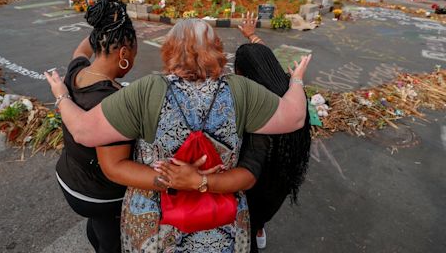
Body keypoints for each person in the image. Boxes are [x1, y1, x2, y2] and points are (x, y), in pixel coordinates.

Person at [45, 19, 311, 252]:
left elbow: (82, 131)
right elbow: (295, 116)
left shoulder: (146, 91)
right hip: (221, 219)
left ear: (169, 50)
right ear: (218, 50)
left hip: (155, 221)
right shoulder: (242, 91)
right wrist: (297, 80)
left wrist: (61, 96)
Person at [56, 0, 142, 253]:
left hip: (70, 176)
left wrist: (104, 26)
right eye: (135, 53)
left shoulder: (77, 71)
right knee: (113, 242)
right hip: (96, 194)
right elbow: (115, 169)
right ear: (124, 53)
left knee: (99, 229)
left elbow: (81, 50)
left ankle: (97, 238)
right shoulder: (111, 103)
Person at [236, 17, 312, 252]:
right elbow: (265, 61)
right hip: (281, 182)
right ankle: (259, 228)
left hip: (254, 183)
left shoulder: (253, 108)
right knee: (261, 216)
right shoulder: (292, 96)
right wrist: (252, 36)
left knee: (249, 218)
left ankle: (255, 229)